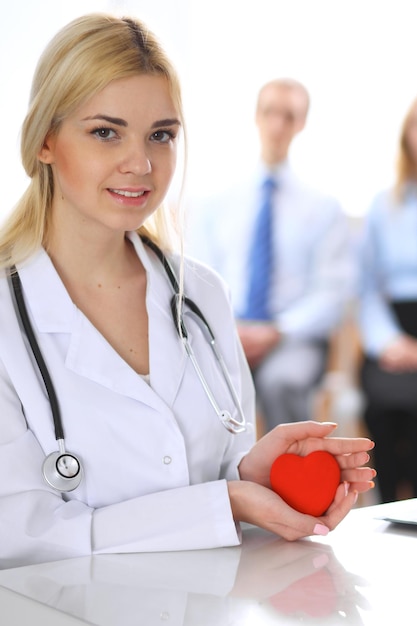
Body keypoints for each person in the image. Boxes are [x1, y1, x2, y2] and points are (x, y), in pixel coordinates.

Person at [0, 13, 375, 568]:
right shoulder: (10, 316)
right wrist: (221, 503)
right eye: (106, 131)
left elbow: (215, 470)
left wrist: (254, 477)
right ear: (46, 140)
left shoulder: (201, 294)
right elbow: (19, 535)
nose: (142, 163)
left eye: (161, 135)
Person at [187, 78, 355, 433]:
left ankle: (292, 483)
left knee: (283, 382)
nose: (278, 125)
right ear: (257, 117)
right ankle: (227, 485)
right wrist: (231, 330)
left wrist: (275, 332)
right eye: (271, 113)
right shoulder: (215, 203)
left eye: (289, 116)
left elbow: (331, 295)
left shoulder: (324, 209)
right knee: (202, 385)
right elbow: (198, 278)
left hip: (292, 339)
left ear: (301, 124)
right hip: (228, 333)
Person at [358, 96, 417, 503]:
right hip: (393, 330)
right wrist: (388, 342)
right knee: (382, 407)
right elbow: (365, 286)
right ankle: (390, 512)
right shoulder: (385, 205)